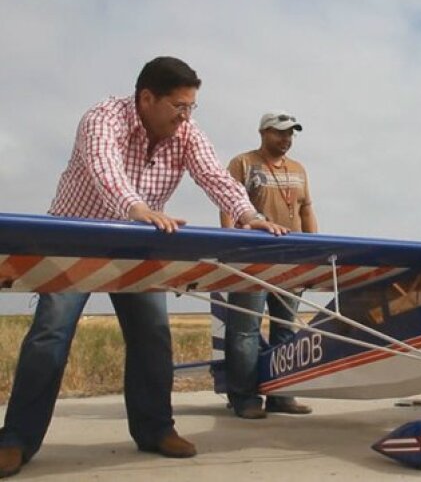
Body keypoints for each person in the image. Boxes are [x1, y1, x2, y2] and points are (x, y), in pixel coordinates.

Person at [0, 57, 288, 479]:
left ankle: (155, 429)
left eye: (191, 107)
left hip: (136, 245)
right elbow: (105, 170)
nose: (185, 116)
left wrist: (247, 215)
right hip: (74, 240)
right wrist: (135, 208)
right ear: (146, 98)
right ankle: (15, 441)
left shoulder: (186, 133)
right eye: (179, 106)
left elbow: (215, 176)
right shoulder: (102, 119)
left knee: (154, 333)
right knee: (51, 333)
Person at [219, 110, 318, 419]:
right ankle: (244, 397)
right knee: (245, 330)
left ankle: (282, 394)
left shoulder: (299, 170)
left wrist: (313, 250)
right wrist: (230, 242)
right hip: (252, 260)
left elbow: (306, 210)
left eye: (290, 133)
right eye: (279, 132)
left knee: (285, 328)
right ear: (263, 133)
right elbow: (227, 203)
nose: (286, 139)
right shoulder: (243, 163)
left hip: (290, 261)